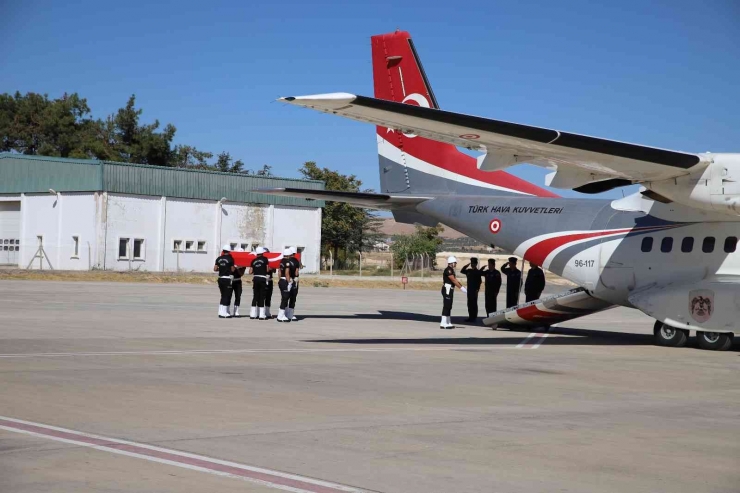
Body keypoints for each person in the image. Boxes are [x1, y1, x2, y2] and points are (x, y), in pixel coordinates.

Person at [440, 256, 466, 329]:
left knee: (449, 306)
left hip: (450, 289)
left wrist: (461, 286)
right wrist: (461, 288)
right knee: (446, 305)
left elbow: (455, 280)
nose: (456, 264)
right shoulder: (448, 270)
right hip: (447, 288)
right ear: (451, 263)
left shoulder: (451, 270)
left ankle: (448, 322)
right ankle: (443, 323)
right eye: (455, 263)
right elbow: (453, 280)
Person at [213, 244, 236, 318]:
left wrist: (222, 268)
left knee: (222, 295)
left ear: (223, 251)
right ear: (229, 251)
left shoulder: (218, 258)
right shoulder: (230, 259)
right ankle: (225, 313)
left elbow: (215, 269)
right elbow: (232, 269)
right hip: (227, 279)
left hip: (220, 278)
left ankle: (220, 311)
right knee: (227, 295)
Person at [247, 247, 269, 320]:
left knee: (255, 296)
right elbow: (267, 269)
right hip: (262, 278)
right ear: (262, 252)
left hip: (255, 278)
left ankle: (252, 314)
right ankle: (261, 315)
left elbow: (250, 272)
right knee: (262, 296)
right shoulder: (265, 259)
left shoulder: (253, 260)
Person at [461, 257, 483, 322]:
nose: (472, 264)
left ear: (476, 264)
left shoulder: (477, 272)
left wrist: (477, 289)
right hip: (469, 290)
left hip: (474, 290)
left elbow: (480, 281)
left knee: (474, 304)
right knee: (469, 304)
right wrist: (466, 265)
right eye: (471, 263)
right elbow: (462, 271)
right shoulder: (469, 271)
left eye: (473, 263)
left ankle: (474, 317)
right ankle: (470, 317)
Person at [276, 248, 295, 322]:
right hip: (285, 281)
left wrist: (280, 279)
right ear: (289, 255)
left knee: (284, 298)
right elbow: (287, 273)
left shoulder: (281, 261)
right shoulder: (287, 262)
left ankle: (282, 314)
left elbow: (279, 271)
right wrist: (289, 281)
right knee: (285, 298)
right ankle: (280, 316)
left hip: (281, 280)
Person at [286, 247, 301, 321]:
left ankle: (284, 313)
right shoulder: (296, 261)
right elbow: (296, 272)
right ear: (294, 253)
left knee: (285, 297)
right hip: (294, 280)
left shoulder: (285, 260)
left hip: (286, 280)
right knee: (293, 297)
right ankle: (290, 314)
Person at [231, 247, 246, 317]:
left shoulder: (243, 263)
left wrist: (238, 268)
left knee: (238, 296)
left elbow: (241, 274)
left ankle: (236, 311)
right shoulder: (231, 260)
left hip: (238, 281)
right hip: (230, 280)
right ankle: (226, 310)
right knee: (228, 296)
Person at [263, 248, 274, 318]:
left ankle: (267, 312)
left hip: (269, 280)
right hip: (262, 280)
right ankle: (260, 312)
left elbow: (274, 269)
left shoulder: (270, 261)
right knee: (261, 297)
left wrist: (271, 268)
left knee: (268, 297)